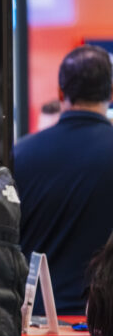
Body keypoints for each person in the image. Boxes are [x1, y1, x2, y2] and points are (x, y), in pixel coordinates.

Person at [13, 45, 113, 314]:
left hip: (34, 330)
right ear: (111, 93)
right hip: (104, 323)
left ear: (60, 93)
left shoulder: (18, 155)